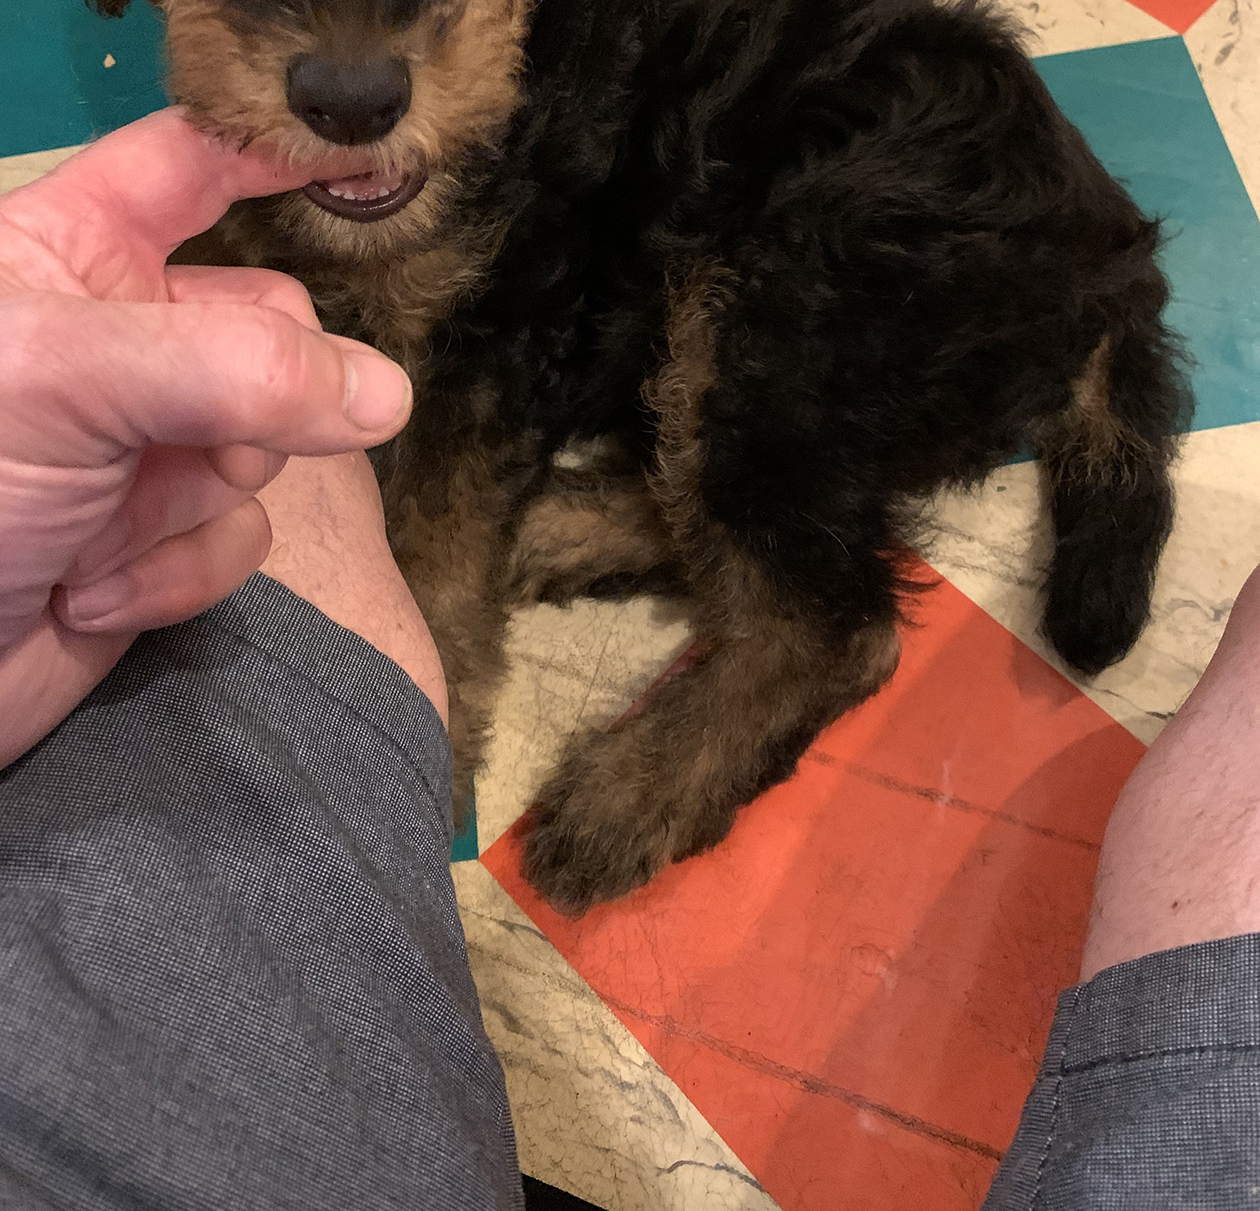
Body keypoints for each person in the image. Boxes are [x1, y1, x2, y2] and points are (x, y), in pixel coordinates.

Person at [1, 110, 1257, 1210]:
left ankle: (812, 637)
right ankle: (669, 512)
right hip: (789, 220)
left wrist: (454, 627)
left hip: (922, 230)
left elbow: (492, 378)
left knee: (710, 386)